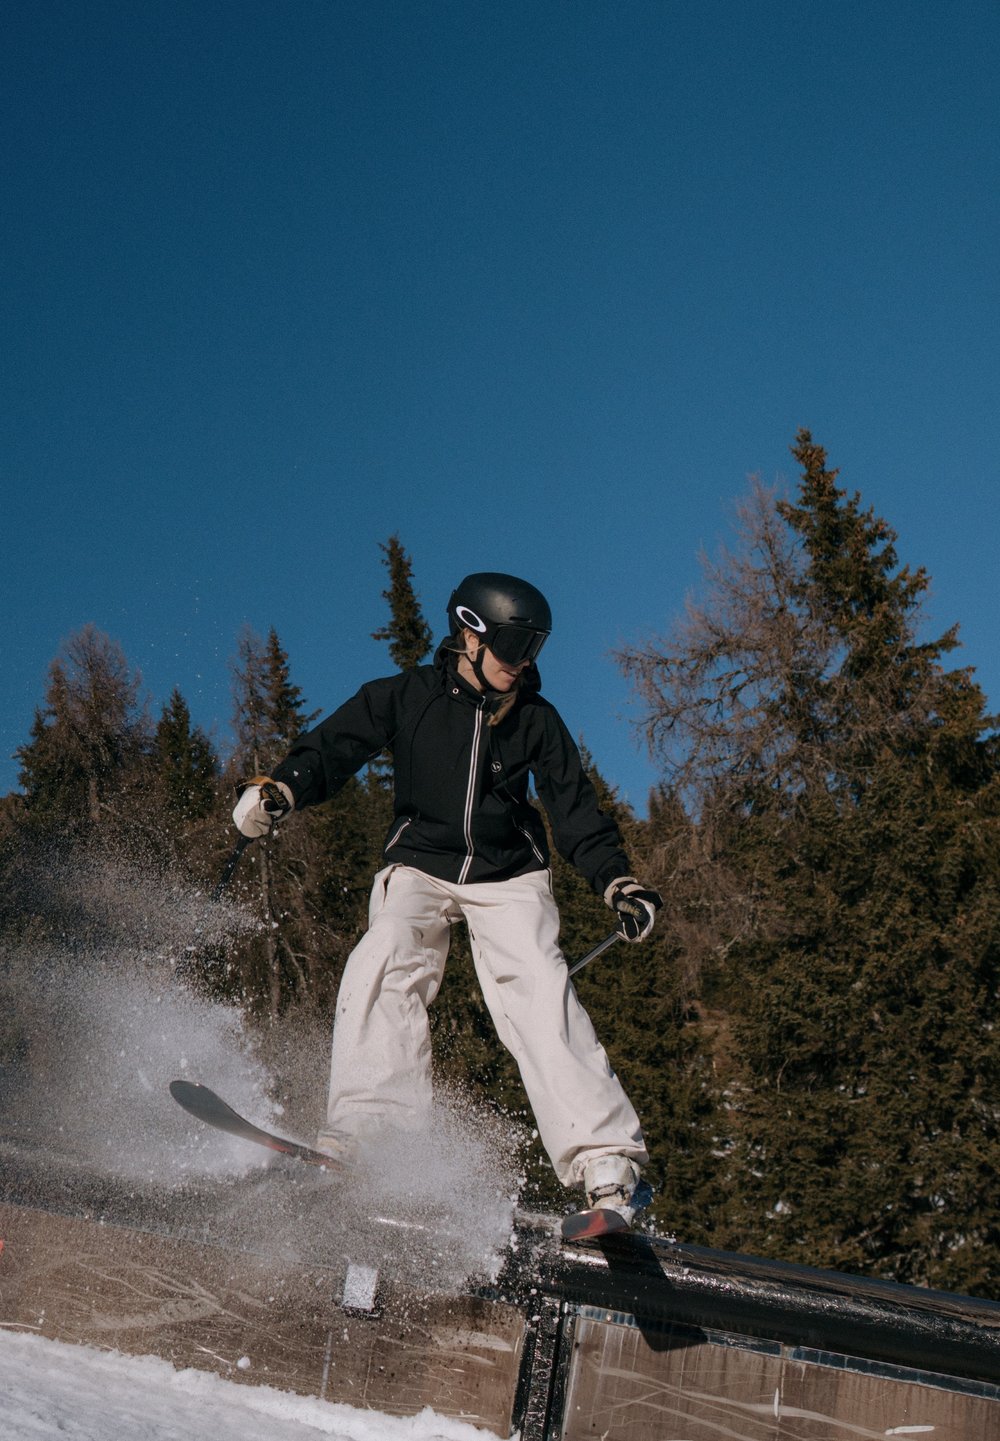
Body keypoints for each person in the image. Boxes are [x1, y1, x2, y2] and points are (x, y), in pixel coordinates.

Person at [233, 573, 662, 1224]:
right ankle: (375, 1134)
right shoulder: (410, 696)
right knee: (384, 956)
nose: (522, 663)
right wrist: (284, 789)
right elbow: (337, 744)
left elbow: (575, 809)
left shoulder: (537, 721)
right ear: (469, 632)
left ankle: (608, 1165)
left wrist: (616, 879)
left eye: (533, 649)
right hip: (420, 863)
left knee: (539, 989)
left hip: (509, 872)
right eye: (514, 644)